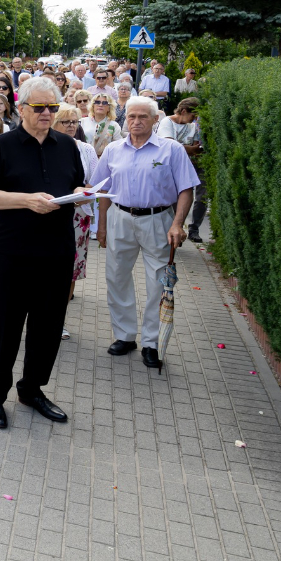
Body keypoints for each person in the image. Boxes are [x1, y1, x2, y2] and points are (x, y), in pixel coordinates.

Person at [0, 76, 87, 430]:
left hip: (56, 250)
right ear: (22, 109)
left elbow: (75, 183)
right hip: (13, 251)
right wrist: (26, 201)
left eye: (53, 107)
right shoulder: (2, 146)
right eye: (39, 108)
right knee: (6, 326)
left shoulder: (67, 146)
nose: (47, 114)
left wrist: (83, 192)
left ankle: (32, 389)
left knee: (48, 327)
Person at [94, 96, 199, 369]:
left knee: (158, 282)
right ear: (125, 119)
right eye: (131, 117)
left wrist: (177, 223)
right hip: (119, 217)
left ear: (155, 120)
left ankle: (151, 343)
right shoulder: (113, 150)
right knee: (116, 277)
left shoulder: (172, 150)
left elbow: (186, 189)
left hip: (157, 220)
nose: (136, 122)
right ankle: (125, 336)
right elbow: (102, 189)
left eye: (142, 117)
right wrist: (101, 225)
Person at [52, 104, 98, 342]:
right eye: (65, 121)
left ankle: (59, 321)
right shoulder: (44, 146)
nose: (71, 126)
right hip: (47, 215)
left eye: (75, 122)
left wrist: (83, 190)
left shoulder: (86, 149)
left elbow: (95, 182)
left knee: (70, 269)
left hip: (78, 215)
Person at [157, 96, 207, 242]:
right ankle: (170, 229)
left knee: (200, 196)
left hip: (192, 164)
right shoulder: (167, 122)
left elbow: (197, 146)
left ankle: (192, 228)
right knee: (174, 198)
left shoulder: (193, 126)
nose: (195, 119)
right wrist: (190, 149)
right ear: (184, 111)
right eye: (193, 115)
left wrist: (191, 149)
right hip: (172, 167)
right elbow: (170, 146)